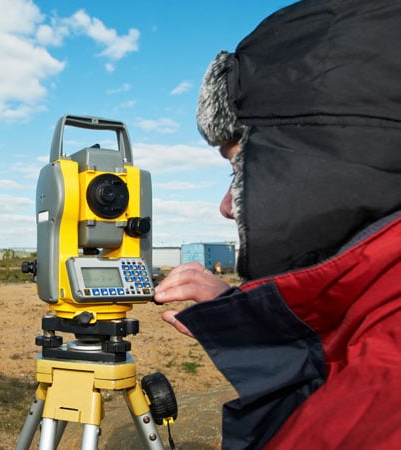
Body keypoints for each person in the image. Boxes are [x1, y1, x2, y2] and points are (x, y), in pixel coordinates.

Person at [154, 1, 401, 448]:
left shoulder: (379, 406)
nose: (227, 206)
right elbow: (334, 358)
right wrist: (252, 316)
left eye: (241, 171)